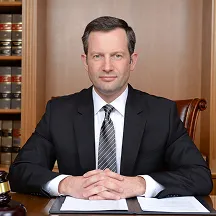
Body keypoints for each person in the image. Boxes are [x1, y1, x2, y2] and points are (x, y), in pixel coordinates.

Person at [8, 16, 212, 200]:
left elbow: (200, 176)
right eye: (97, 56)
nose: (107, 66)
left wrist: (141, 184)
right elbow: (20, 172)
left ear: (132, 61)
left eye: (117, 56)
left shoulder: (162, 113)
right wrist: (67, 184)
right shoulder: (59, 112)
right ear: (85, 62)